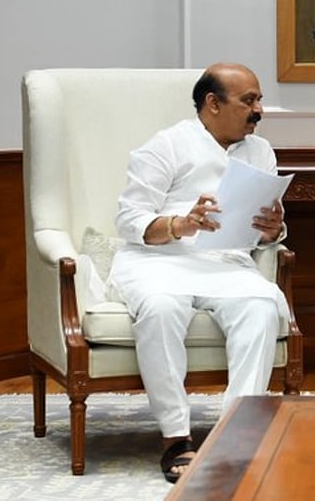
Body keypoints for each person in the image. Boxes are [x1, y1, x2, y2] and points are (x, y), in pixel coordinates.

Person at [107, 63, 291, 483]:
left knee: (261, 306)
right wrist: (181, 224)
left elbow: (267, 231)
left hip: (227, 263)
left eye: (258, 99)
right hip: (159, 262)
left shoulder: (260, 150)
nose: (259, 109)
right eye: (250, 100)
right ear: (213, 103)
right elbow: (128, 219)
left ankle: (235, 433)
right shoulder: (165, 146)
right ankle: (176, 438)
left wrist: (272, 229)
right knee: (160, 308)